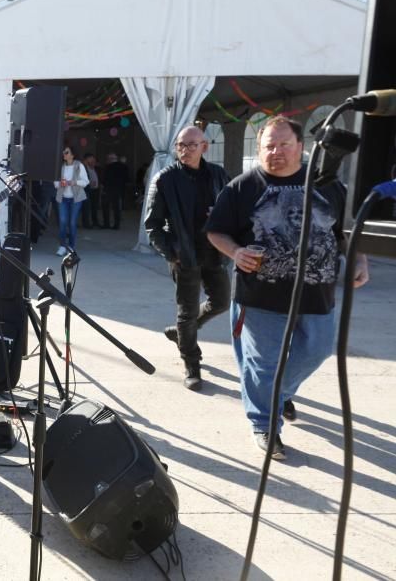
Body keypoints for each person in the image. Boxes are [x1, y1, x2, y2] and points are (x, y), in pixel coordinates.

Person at [205, 115, 370, 459]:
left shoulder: (327, 184)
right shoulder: (242, 187)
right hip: (260, 295)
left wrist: (359, 259)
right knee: (264, 365)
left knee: (317, 350)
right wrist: (235, 251)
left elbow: (347, 229)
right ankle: (265, 423)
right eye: (268, 146)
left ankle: (278, 394)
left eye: (283, 145)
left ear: (301, 147)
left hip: (318, 291)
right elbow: (215, 230)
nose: (275, 152)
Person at [144, 126, 230, 391]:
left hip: (215, 251)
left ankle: (183, 334)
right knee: (187, 310)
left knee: (221, 302)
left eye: (191, 145)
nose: (185, 150)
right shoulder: (165, 179)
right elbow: (152, 225)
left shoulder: (218, 175)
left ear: (204, 146)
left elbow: (233, 209)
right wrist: (172, 253)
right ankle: (192, 363)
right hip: (185, 256)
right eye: (181, 145)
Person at [54, 147, 88, 255]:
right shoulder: (60, 167)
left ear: (72, 155)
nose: (64, 154)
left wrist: (74, 182)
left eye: (67, 152)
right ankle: (62, 246)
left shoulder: (79, 165)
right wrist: (61, 184)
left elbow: (86, 181)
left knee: (72, 223)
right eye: (64, 152)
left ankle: (71, 247)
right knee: (63, 222)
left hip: (76, 198)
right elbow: (55, 183)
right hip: (63, 198)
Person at [101, 152, 130, 229]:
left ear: (110, 159)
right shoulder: (123, 166)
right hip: (119, 190)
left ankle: (106, 224)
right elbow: (127, 178)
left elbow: (105, 179)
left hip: (108, 189)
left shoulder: (108, 167)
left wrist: (103, 187)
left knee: (106, 207)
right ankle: (116, 225)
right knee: (116, 208)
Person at [81, 153, 102, 229]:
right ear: (87, 159)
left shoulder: (95, 168)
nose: (93, 160)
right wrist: (90, 183)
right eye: (92, 159)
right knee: (86, 207)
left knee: (94, 207)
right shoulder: (83, 167)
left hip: (95, 190)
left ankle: (95, 222)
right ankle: (86, 223)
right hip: (87, 190)